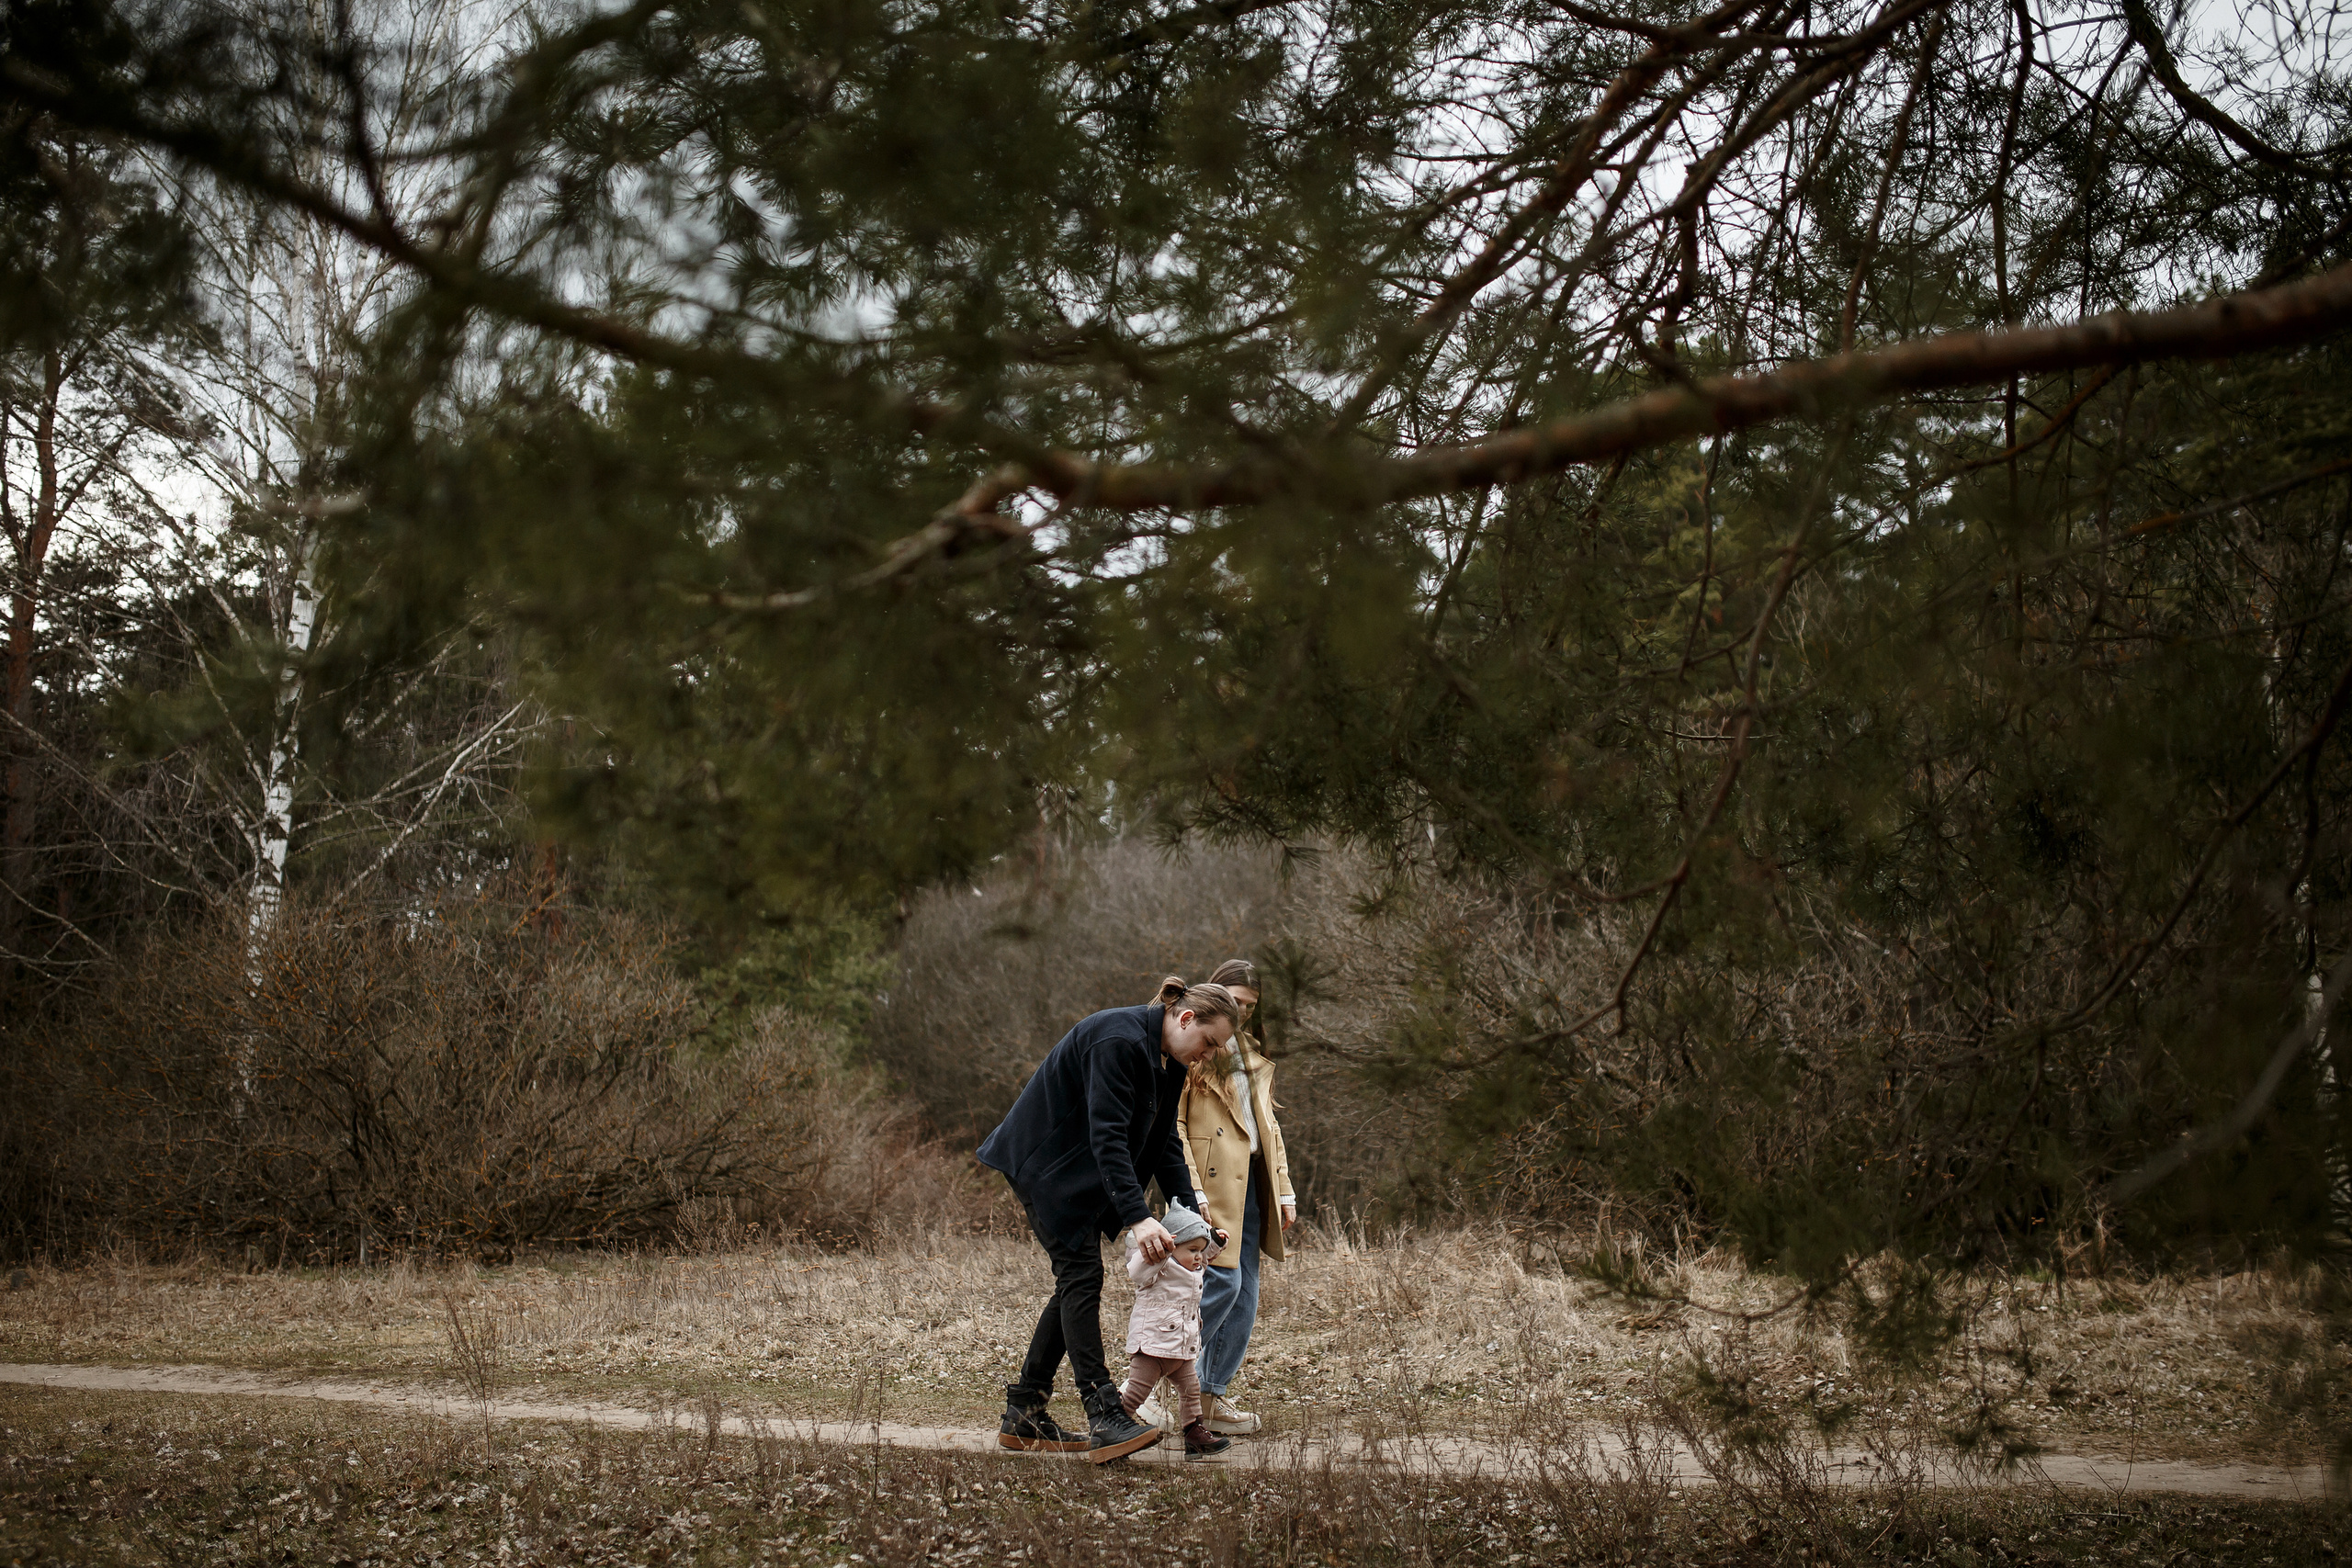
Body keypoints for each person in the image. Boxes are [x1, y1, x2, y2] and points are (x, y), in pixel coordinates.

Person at [976, 982, 1240, 1463]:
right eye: (1210, 1042)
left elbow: (1162, 1143)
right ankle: (1104, 1413)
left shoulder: (1170, 1061)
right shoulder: (1116, 1041)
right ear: (1185, 1020)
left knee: (1073, 1282)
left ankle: (1025, 1414)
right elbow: (1108, 1136)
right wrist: (1137, 1218)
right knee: (1081, 1275)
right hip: (1044, 1167)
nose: (1210, 1054)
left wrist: (1189, 1211)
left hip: (1079, 1172)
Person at [1138, 959, 1295, 1437]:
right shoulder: (1196, 1045)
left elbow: (1268, 1126)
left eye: (1250, 1006)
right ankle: (1144, 1389)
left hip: (1250, 1183)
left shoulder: (1252, 1055)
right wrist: (1191, 1190)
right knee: (1215, 1287)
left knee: (1244, 1295)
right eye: (1236, 1002)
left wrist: (1284, 1188)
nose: (1243, 1013)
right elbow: (1173, 1126)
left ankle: (1208, 1395)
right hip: (1206, 1183)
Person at [1117, 1199, 1232, 1458]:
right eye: (1193, 1250)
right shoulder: (1157, 1267)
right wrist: (1160, 1248)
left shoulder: (1193, 1269)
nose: (1199, 1257)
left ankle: (1194, 1435)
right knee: (1136, 1391)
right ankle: (1113, 1425)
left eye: (1201, 1251)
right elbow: (1136, 1270)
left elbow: (1202, 1255)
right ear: (1171, 1245)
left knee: (1191, 1391)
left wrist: (1215, 1244)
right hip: (1152, 1348)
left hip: (1181, 1349)